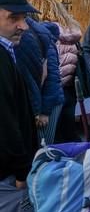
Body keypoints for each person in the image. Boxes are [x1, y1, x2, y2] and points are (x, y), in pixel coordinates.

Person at [0, 0, 38, 212]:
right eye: (14, 18)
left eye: (24, 18)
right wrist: (22, 172)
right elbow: (6, 123)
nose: (23, 25)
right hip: (6, 178)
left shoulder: (7, 53)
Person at [31, 0, 83, 143]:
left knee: (52, 139)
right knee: (68, 133)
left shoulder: (46, 34)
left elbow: (51, 68)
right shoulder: (70, 32)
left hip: (52, 92)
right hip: (69, 89)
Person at [15, 14, 64, 146]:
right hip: (41, 100)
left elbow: (53, 77)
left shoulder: (40, 40)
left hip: (48, 102)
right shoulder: (38, 37)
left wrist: (44, 112)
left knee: (43, 147)